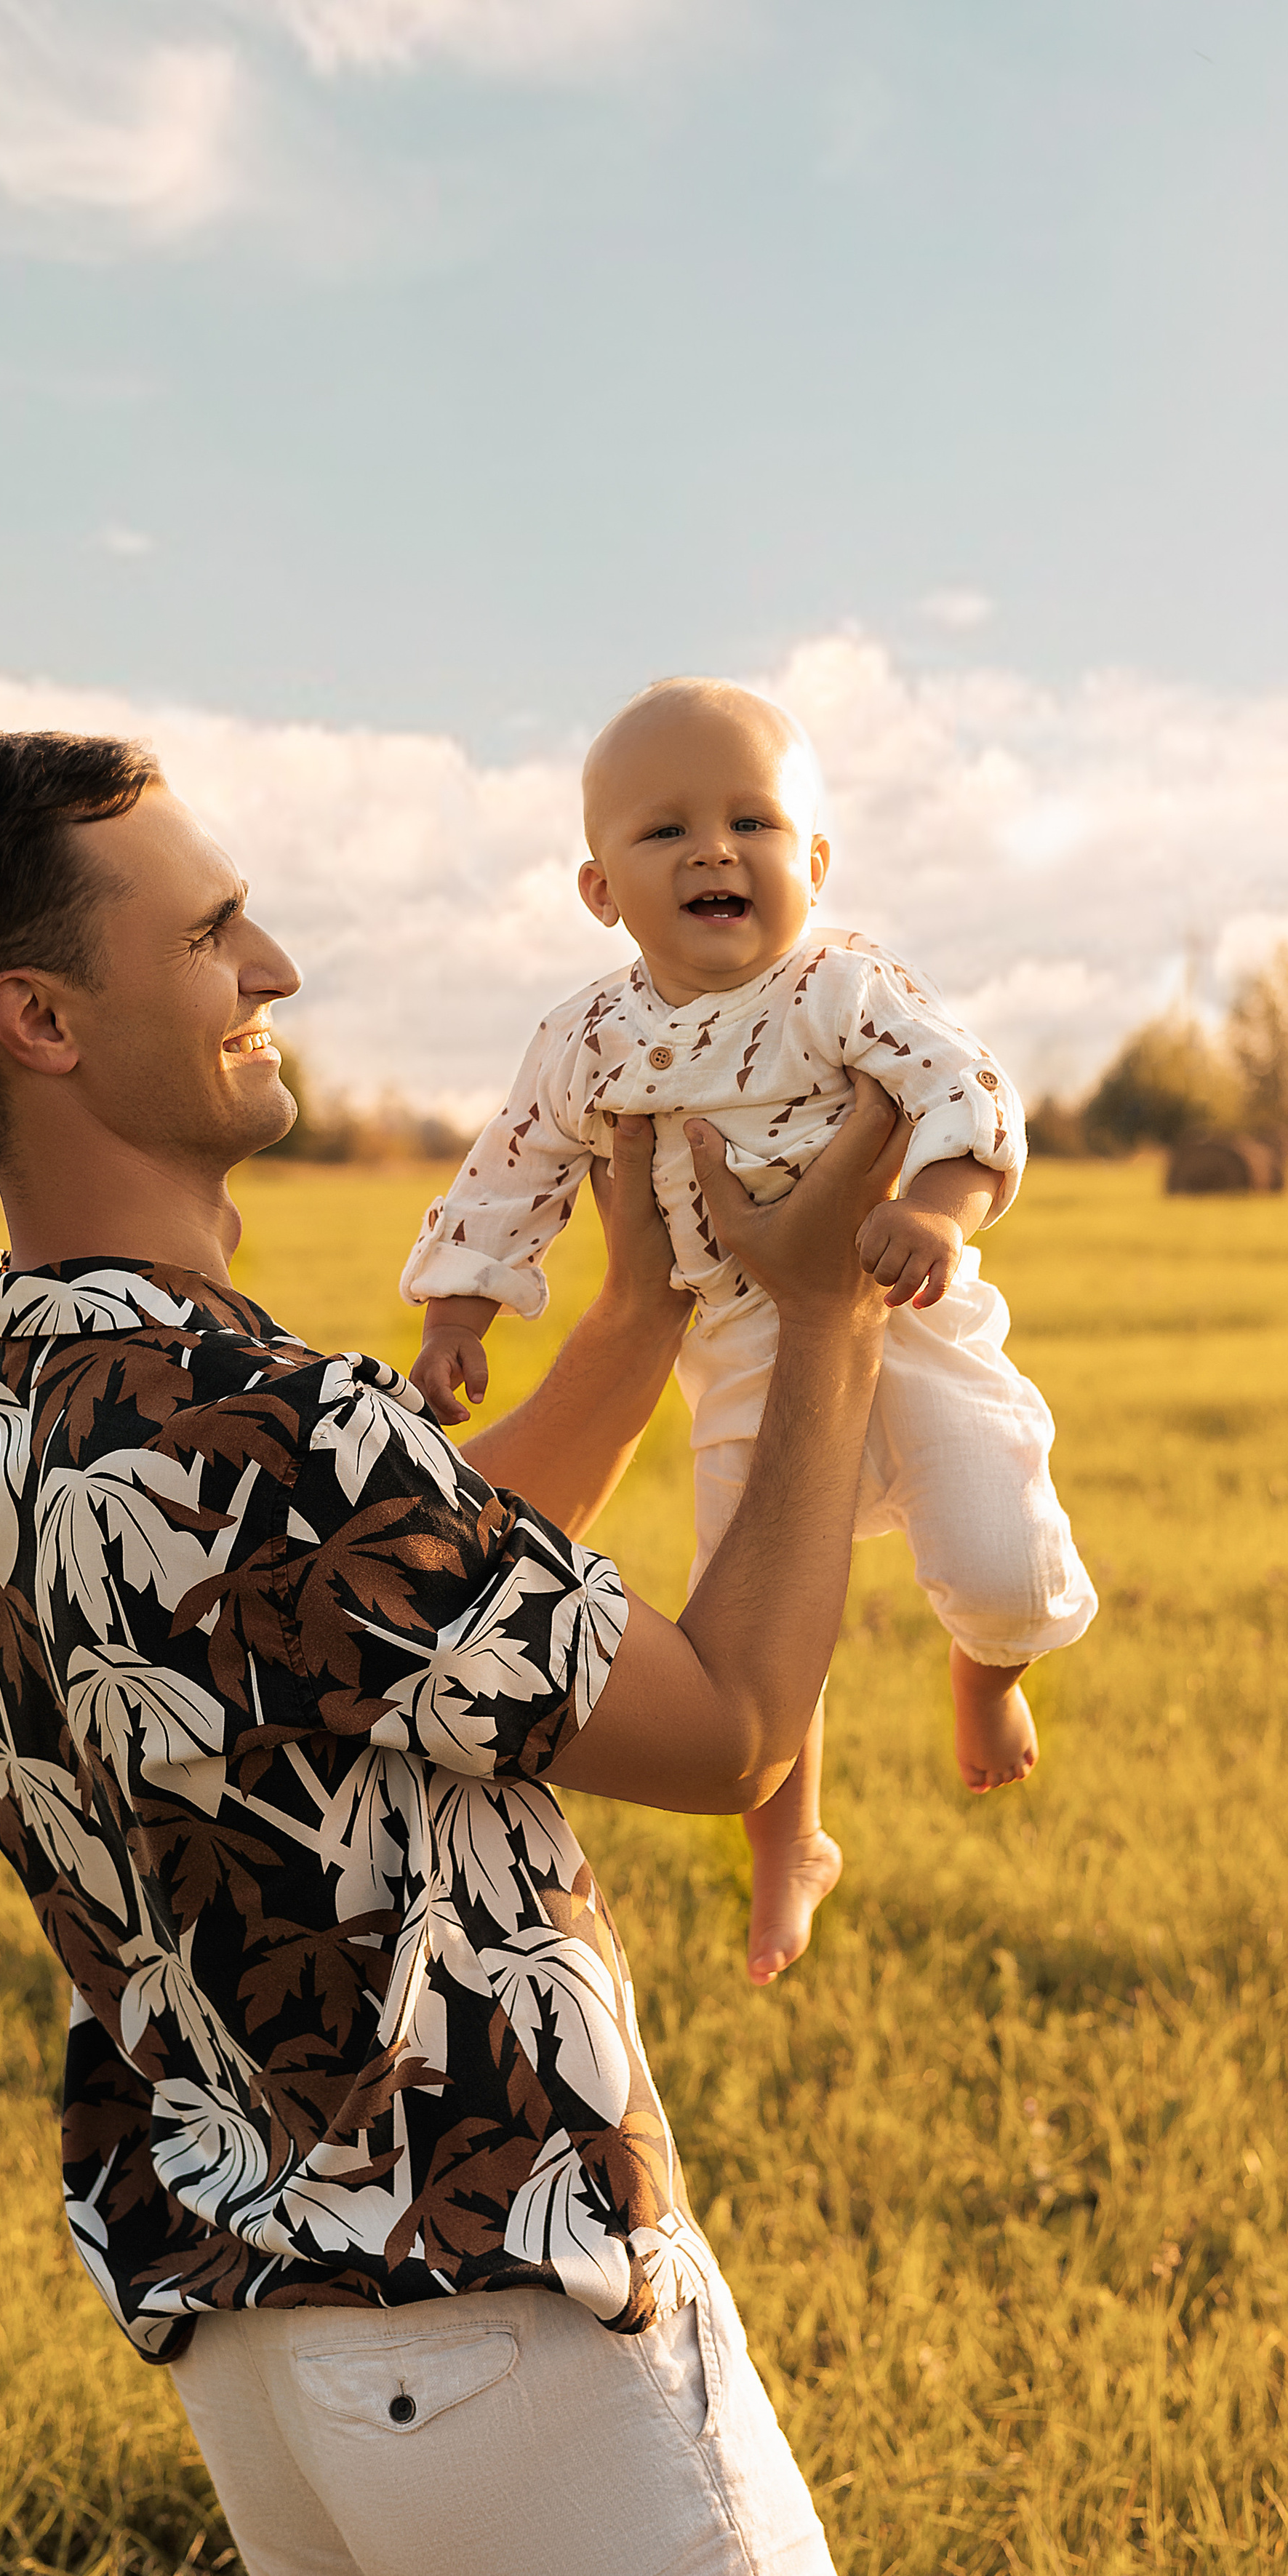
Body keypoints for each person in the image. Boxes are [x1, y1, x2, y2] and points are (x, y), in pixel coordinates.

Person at [0, 727, 914, 2576]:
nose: (276, 975)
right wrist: (825, 1314)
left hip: (268, 2362)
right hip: (508, 2322)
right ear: (41, 1018)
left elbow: (393, 1609)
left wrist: (639, 1315)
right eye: (216, 935)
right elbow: (731, 1720)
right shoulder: (273, 1428)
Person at [401, 677, 1097, 1985]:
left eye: (754, 824)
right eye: (665, 833)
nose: (715, 850)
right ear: (602, 892)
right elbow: (515, 1168)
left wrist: (941, 1211)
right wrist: (458, 1308)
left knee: (999, 1551)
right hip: (735, 1345)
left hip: (907, 1311)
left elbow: (963, 1081)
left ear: (815, 864)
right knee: (751, 1621)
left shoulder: (843, 984)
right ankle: (794, 1855)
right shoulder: (588, 1036)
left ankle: (989, 1663)